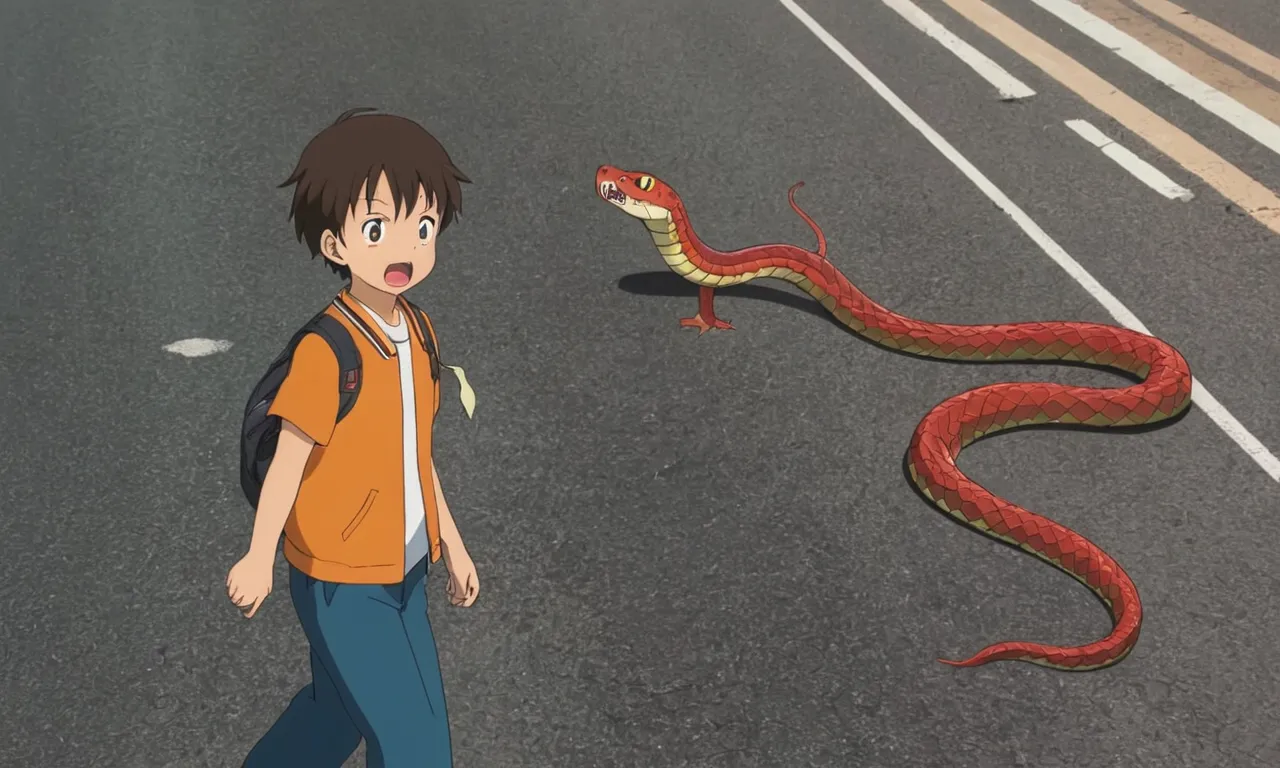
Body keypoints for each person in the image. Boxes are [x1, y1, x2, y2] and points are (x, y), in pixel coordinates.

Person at [226, 107, 478, 768]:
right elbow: (289, 461)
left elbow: (417, 453)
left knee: (334, 716)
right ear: (335, 244)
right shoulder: (328, 350)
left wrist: (451, 542)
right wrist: (257, 558)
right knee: (417, 746)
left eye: (422, 226)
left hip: (406, 569)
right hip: (341, 580)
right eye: (376, 227)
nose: (405, 248)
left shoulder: (420, 334)